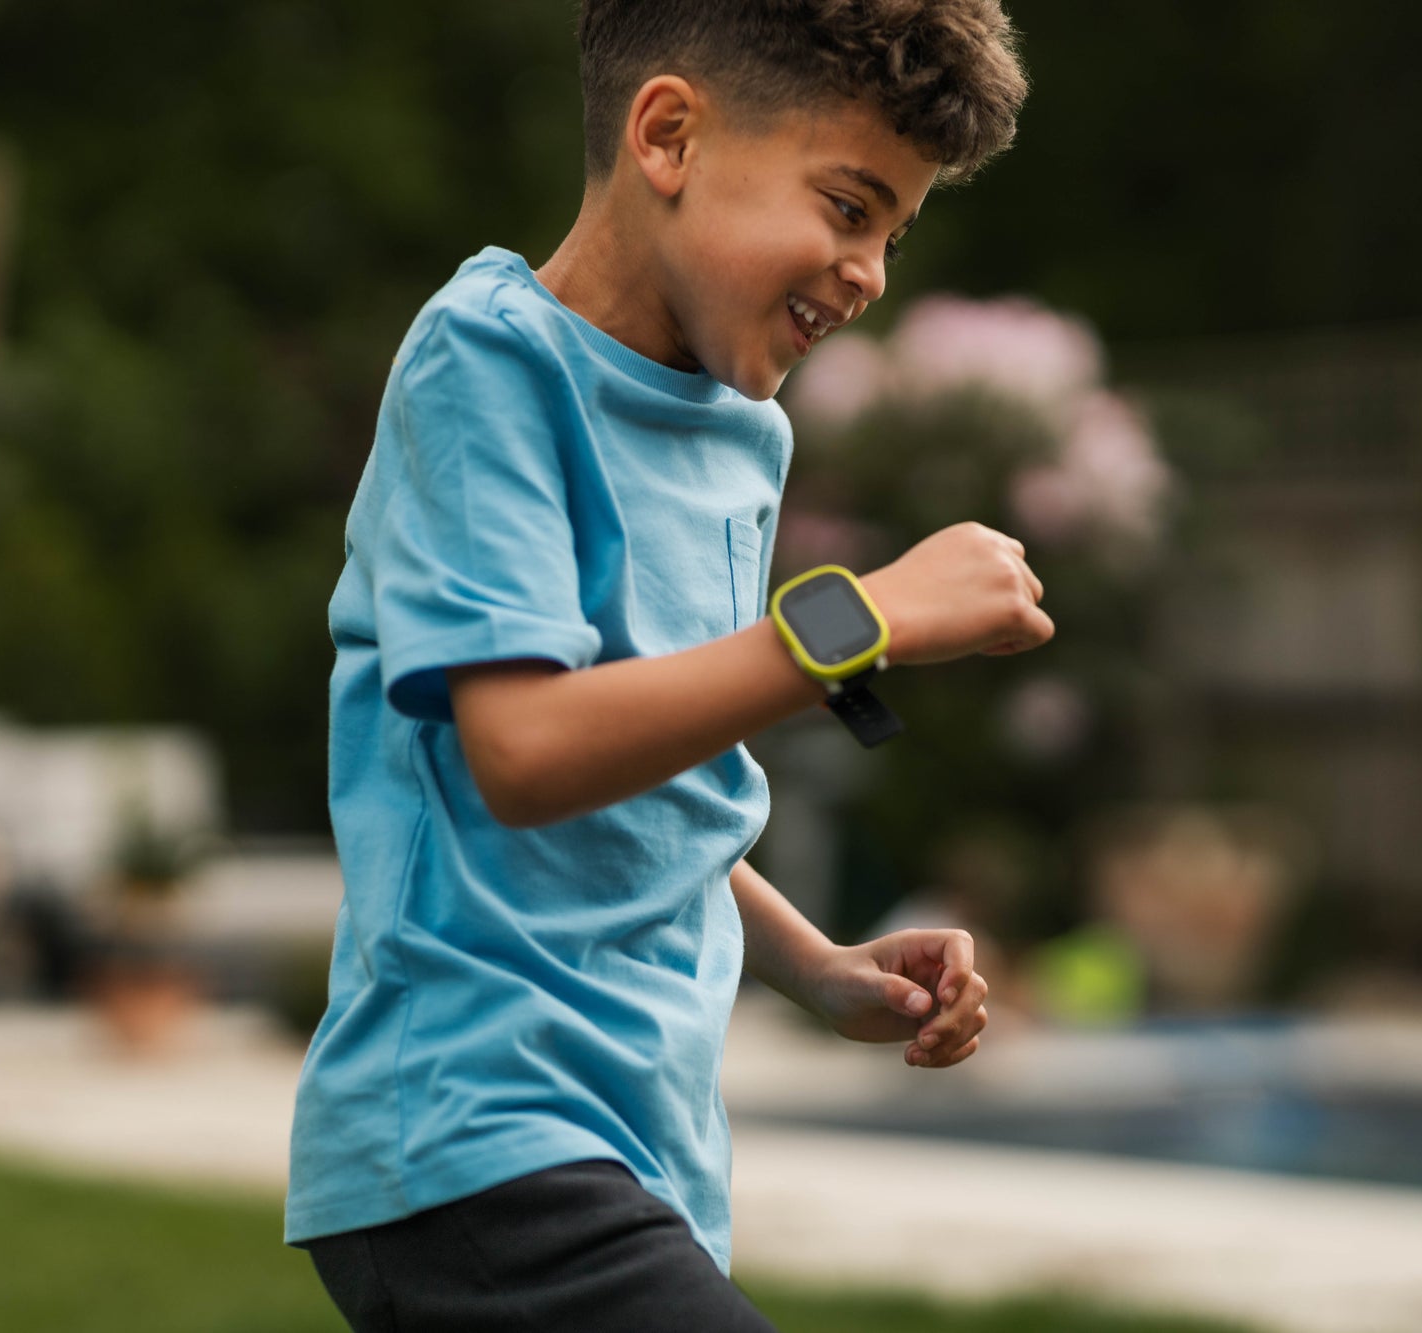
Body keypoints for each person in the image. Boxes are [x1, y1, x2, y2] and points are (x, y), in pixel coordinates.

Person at [287, 3, 1047, 1329]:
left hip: (646, 1151)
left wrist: (817, 966)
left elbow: (649, 777)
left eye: (894, 234)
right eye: (850, 207)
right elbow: (527, 750)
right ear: (670, 136)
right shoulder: (489, 362)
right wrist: (861, 617)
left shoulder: (743, 436)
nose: (871, 273)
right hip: (474, 1132)